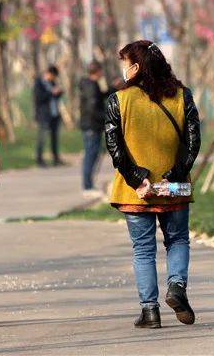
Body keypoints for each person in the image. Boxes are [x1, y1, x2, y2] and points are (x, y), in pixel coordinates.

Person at [104, 40, 201, 329]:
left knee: (143, 250)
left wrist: (137, 179)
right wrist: (175, 173)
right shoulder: (182, 96)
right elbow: (194, 142)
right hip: (174, 188)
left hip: (136, 192)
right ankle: (177, 286)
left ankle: (150, 311)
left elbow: (114, 146)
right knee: (178, 240)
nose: (122, 69)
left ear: (135, 67)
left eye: (124, 63)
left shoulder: (118, 101)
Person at [78, 60, 109, 197]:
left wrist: (112, 88)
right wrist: (107, 117)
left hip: (94, 126)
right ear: (98, 71)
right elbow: (92, 108)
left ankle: (89, 184)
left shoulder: (93, 85)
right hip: (91, 126)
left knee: (93, 154)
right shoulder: (90, 86)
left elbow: (102, 95)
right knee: (90, 155)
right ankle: (87, 186)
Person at [32, 65, 64, 166]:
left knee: (54, 137)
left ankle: (55, 158)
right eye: (53, 76)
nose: (54, 78)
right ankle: (39, 159)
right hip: (44, 115)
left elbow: (55, 96)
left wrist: (59, 93)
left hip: (54, 114)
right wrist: (51, 92)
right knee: (42, 138)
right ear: (48, 73)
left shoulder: (52, 83)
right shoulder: (39, 83)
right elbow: (39, 98)